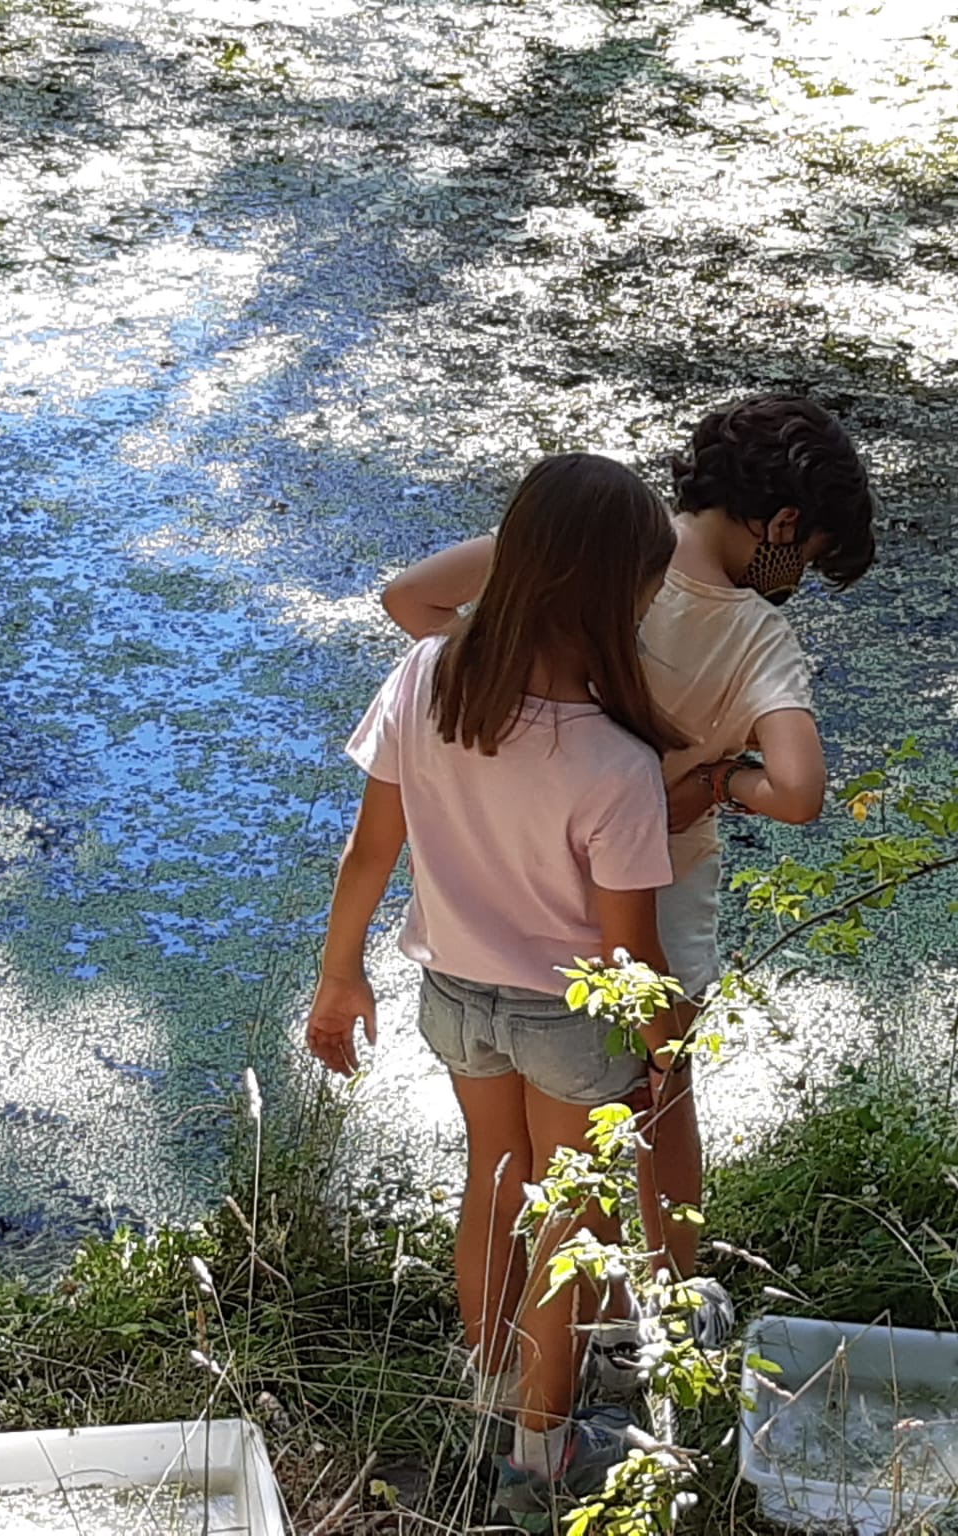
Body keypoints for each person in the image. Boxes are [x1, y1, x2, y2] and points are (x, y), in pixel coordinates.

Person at [381, 395, 877, 1346]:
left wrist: (493, 683)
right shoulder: (756, 634)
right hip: (650, 899)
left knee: (519, 1140)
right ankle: (668, 1299)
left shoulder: (598, 531)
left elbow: (411, 600)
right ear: (780, 525)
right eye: (808, 557)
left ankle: (531, 1336)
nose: (797, 578)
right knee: (660, 1097)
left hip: (507, 883)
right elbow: (802, 790)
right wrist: (716, 780)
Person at [305, 453, 685, 1521]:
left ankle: (487, 1400)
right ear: (617, 597)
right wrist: (668, 1041)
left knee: (493, 1181)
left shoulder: (424, 677)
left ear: (515, 563)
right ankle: (542, 1449)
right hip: (568, 1021)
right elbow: (627, 960)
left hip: (453, 996)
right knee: (571, 1222)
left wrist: (339, 979)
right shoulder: (613, 763)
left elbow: (368, 852)